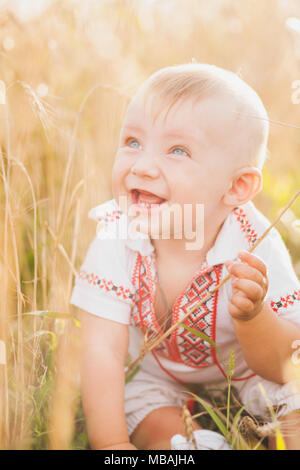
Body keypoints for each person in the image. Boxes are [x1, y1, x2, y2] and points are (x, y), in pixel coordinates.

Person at [70, 63, 300, 450]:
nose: (141, 166)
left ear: (236, 186)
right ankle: (196, 445)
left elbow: (284, 363)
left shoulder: (252, 242)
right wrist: (112, 446)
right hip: (159, 374)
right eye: (132, 142)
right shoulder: (115, 235)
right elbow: (102, 350)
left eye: (178, 150)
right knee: (154, 424)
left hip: (251, 370)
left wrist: (253, 316)